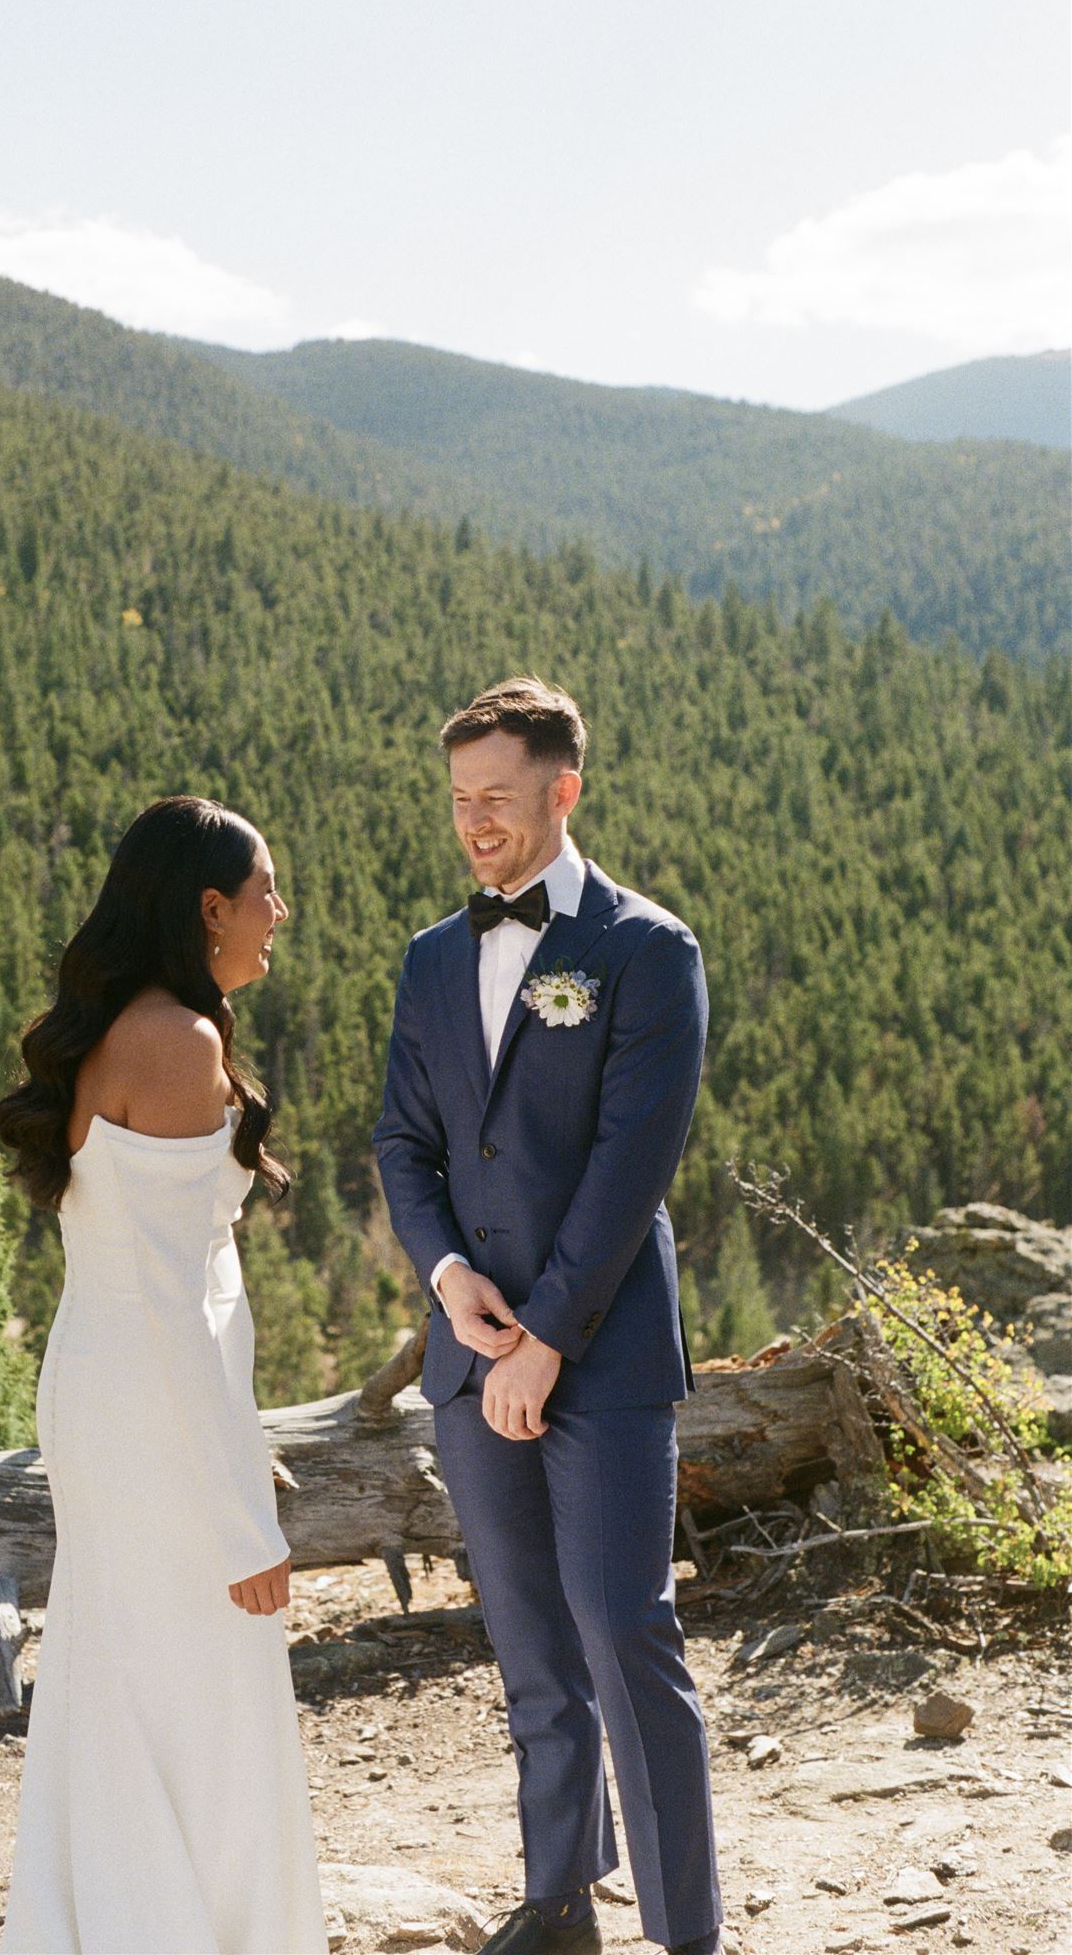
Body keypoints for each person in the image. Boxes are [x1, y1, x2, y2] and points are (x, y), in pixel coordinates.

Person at [373, 678, 724, 1955]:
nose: (475, 823)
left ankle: (687, 1931)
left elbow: (633, 1164)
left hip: (604, 1350)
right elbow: (401, 1140)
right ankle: (558, 1900)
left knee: (625, 1630)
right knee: (527, 1643)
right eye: (460, 799)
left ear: (562, 791)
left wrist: (549, 1338)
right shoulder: (427, 956)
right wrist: (446, 1273)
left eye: (499, 800)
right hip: (469, 1356)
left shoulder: (646, 948)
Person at [0, 795, 328, 1955]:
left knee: (124, 1684)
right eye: (265, 891)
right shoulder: (179, 1044)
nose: (277, 912)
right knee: (212, 1697)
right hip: (152, 1404)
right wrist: (241, 1513)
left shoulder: (118, 1024)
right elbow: (184, 1310)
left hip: (107, 1392)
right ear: (207, 907)